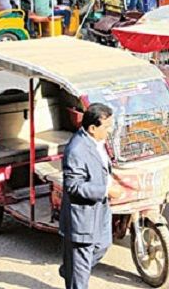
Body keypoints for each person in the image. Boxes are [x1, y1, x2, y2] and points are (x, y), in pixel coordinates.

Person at [59, 103, 122, 289]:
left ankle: (71, 269)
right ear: (92, 128)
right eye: (107, 127)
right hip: (82, 218)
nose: (109, 131)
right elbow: (73, 186)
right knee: (80, 276)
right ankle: (74, 271)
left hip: (100, 210)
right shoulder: (76, 150)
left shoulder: (98, 142)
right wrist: (105, 191)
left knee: (102, 245)